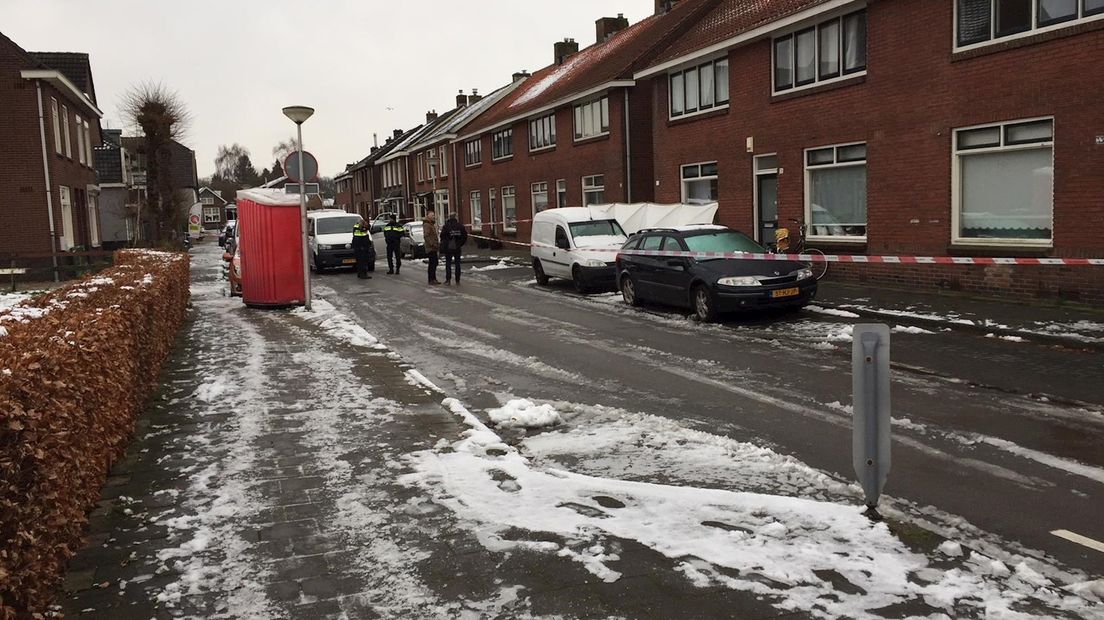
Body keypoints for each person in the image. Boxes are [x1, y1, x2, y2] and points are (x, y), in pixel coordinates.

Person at [439, 213, 468, 285]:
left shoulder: (446, 226)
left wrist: (445, 243)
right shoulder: (460, 226)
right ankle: (457, 280)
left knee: (448, 263)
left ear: (449, 217)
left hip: (448, 248)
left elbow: (442, 236)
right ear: (456, 217)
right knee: (457, 263)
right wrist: (460, 244)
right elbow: (465, 236)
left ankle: (448, 280)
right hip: (457, 247)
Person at [423, 210, 441, 285]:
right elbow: (426, 236)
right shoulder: (427, 225)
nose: (434, 216)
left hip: (434, 247)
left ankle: (433, 278)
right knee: (432, 263)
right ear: (428, 216)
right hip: (431, 248)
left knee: (434, 263)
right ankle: (431, 279)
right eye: (432, 215)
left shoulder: (431, 224)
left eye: (434, 215)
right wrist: (432, 244)